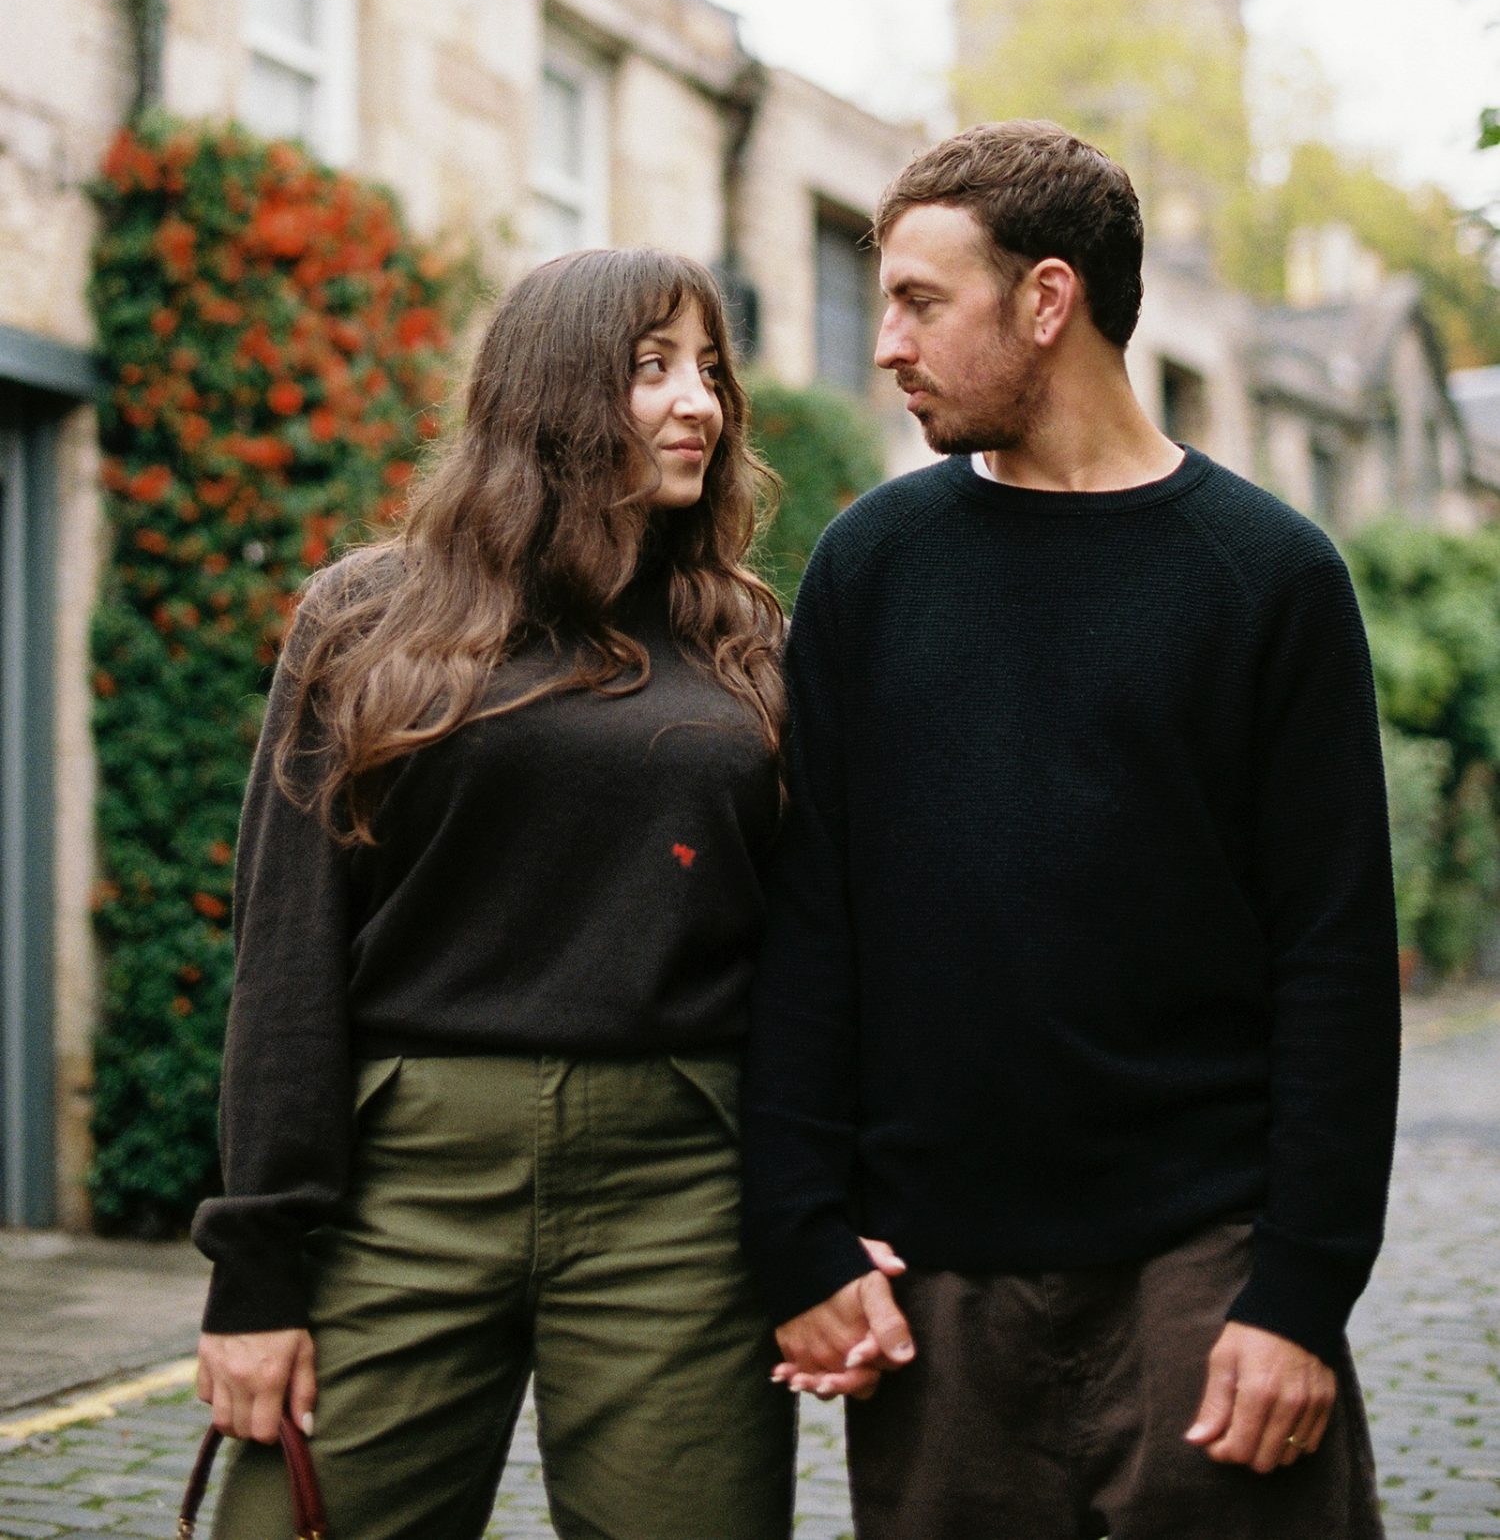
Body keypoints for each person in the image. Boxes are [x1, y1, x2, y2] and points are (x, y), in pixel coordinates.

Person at [741, 120, 1399, 1539]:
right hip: (937, 1291)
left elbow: (1336, 959)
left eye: (921, 302)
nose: (886, 344)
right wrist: (796, 1226)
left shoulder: (1270, 578)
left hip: (1206, 1273)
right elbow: (810, 918)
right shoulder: (875, 565)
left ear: (1047, 300)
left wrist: (1300, 1292)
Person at [192, 247, 795, 1540]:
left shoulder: (747, 638)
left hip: (681, 1186)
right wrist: (256, 1275)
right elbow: (287, 953)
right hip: (402, 1173)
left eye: (710, 370)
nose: (700, 402)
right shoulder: (369, 617)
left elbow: (811, 942)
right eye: (652, 368)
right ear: (554, 391)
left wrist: (823, 1211)